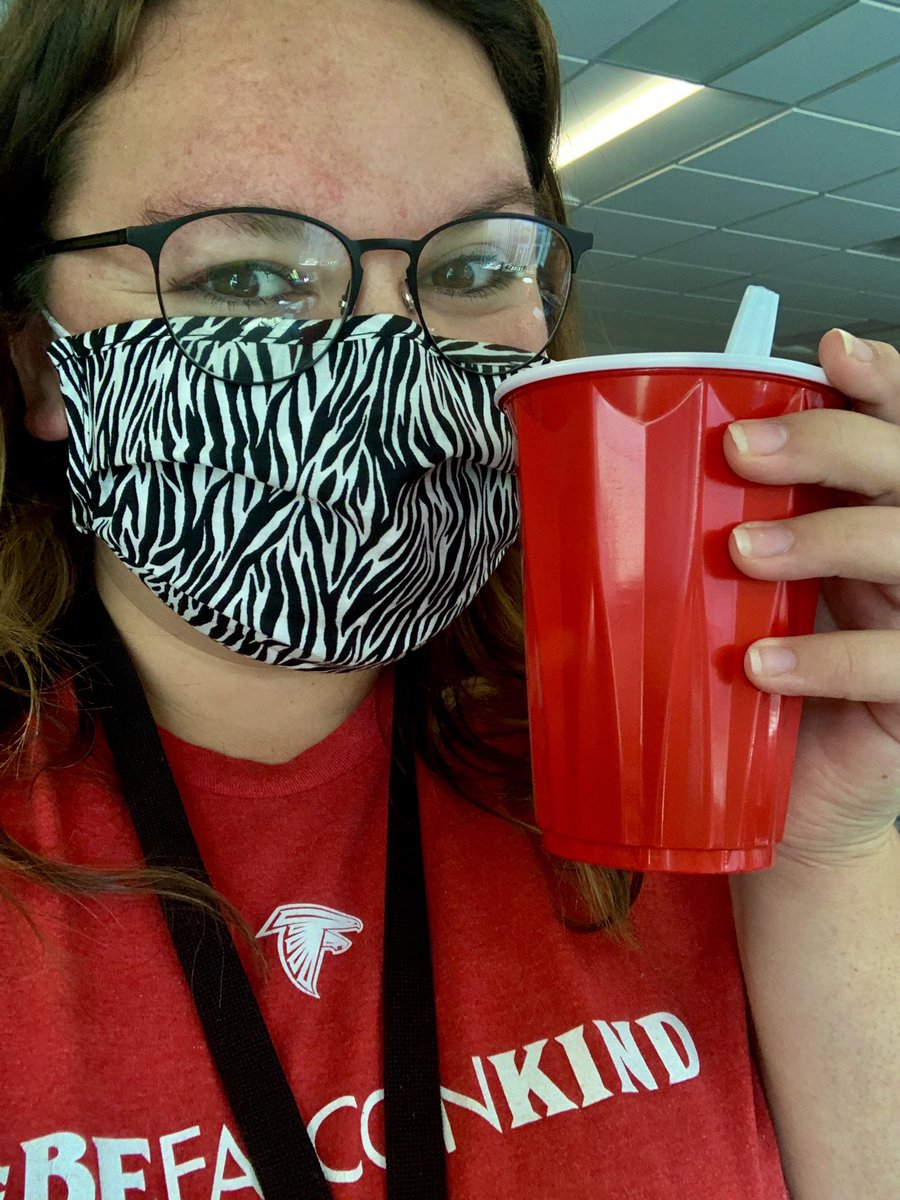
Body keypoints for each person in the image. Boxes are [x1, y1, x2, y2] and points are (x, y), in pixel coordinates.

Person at [0, 0, 897, 1197]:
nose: (388, 356)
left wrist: (825, 844)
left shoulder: (660, 755)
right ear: (32, 356)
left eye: (472, 264)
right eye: (250, 270)